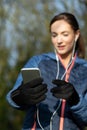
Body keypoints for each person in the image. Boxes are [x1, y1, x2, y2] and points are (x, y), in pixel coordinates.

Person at [6, 12, 87, 130]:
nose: (59, 40)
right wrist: (20, 96)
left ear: (76, 35)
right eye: (54, 35)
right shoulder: (38, 61)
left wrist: (76, 100)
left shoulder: (85, 70)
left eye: (65, 34)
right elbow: (11, 98)